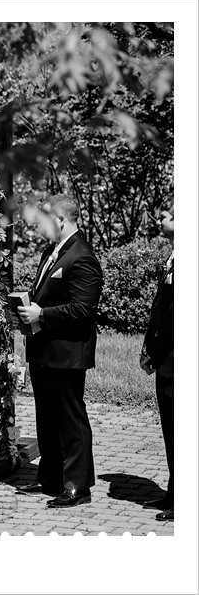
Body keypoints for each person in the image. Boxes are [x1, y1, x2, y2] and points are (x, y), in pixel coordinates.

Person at [17, 196, 103, 508]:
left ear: (61, 220)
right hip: (44, 350)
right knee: (47, 418)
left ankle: (78, 486)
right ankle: (52, 477)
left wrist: (42, 314)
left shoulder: (82, 257)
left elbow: (83, 310)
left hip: (67, 352)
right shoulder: (52, 252)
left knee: (70, 420)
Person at [140, 210, 174, 522]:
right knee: (171, 429)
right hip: (166, 360)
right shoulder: (173, 257)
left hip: (175, 359)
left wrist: (154, 350)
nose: (160, 217)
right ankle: (174, 492)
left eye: (167, 214)